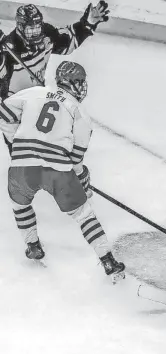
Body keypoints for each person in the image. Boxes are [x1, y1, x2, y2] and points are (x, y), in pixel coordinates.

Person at [0, 60, 125, 283]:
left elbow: (4, 112)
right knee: (84, 214)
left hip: (21, 166)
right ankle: (107, 259)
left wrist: (14, 144)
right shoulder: (81, 115)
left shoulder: (34, 92)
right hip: (57, 170)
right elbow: (76, 160)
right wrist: (82, 182)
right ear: (75, 84)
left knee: (20, 204)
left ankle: (33, 246)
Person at [0, 2, 109, 98]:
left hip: (37, 97)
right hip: (13, 105)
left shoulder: (46, 34)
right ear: (20, 27)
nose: (36, 32)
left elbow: (68, 42)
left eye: (38, 27)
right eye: (31, 29)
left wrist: (88, 23)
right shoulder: (9, 50)